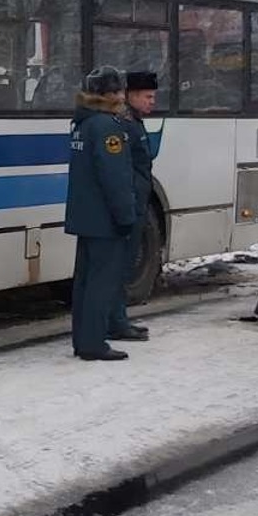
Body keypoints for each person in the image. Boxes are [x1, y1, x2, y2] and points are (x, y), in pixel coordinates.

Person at [65, 66, 137, 361]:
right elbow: (115, 178)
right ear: (108, 95)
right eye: (118, 91)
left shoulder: (82, 123)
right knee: (101, 283)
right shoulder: (108, 128)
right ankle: (94, 343)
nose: (122, 96)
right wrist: (126, 216)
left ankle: (82, 339)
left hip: (84, 217)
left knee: (84, 283)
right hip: (105, 219)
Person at [107, 70, 160, 342]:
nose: (153, 102)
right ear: (133, 95)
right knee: (118, 267)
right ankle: (115, 322)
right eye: (148, 96)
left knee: (124, 267)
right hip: (130, 204)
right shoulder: (124, 124)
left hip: (137, 202)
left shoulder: (134, 121)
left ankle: (119, 319)